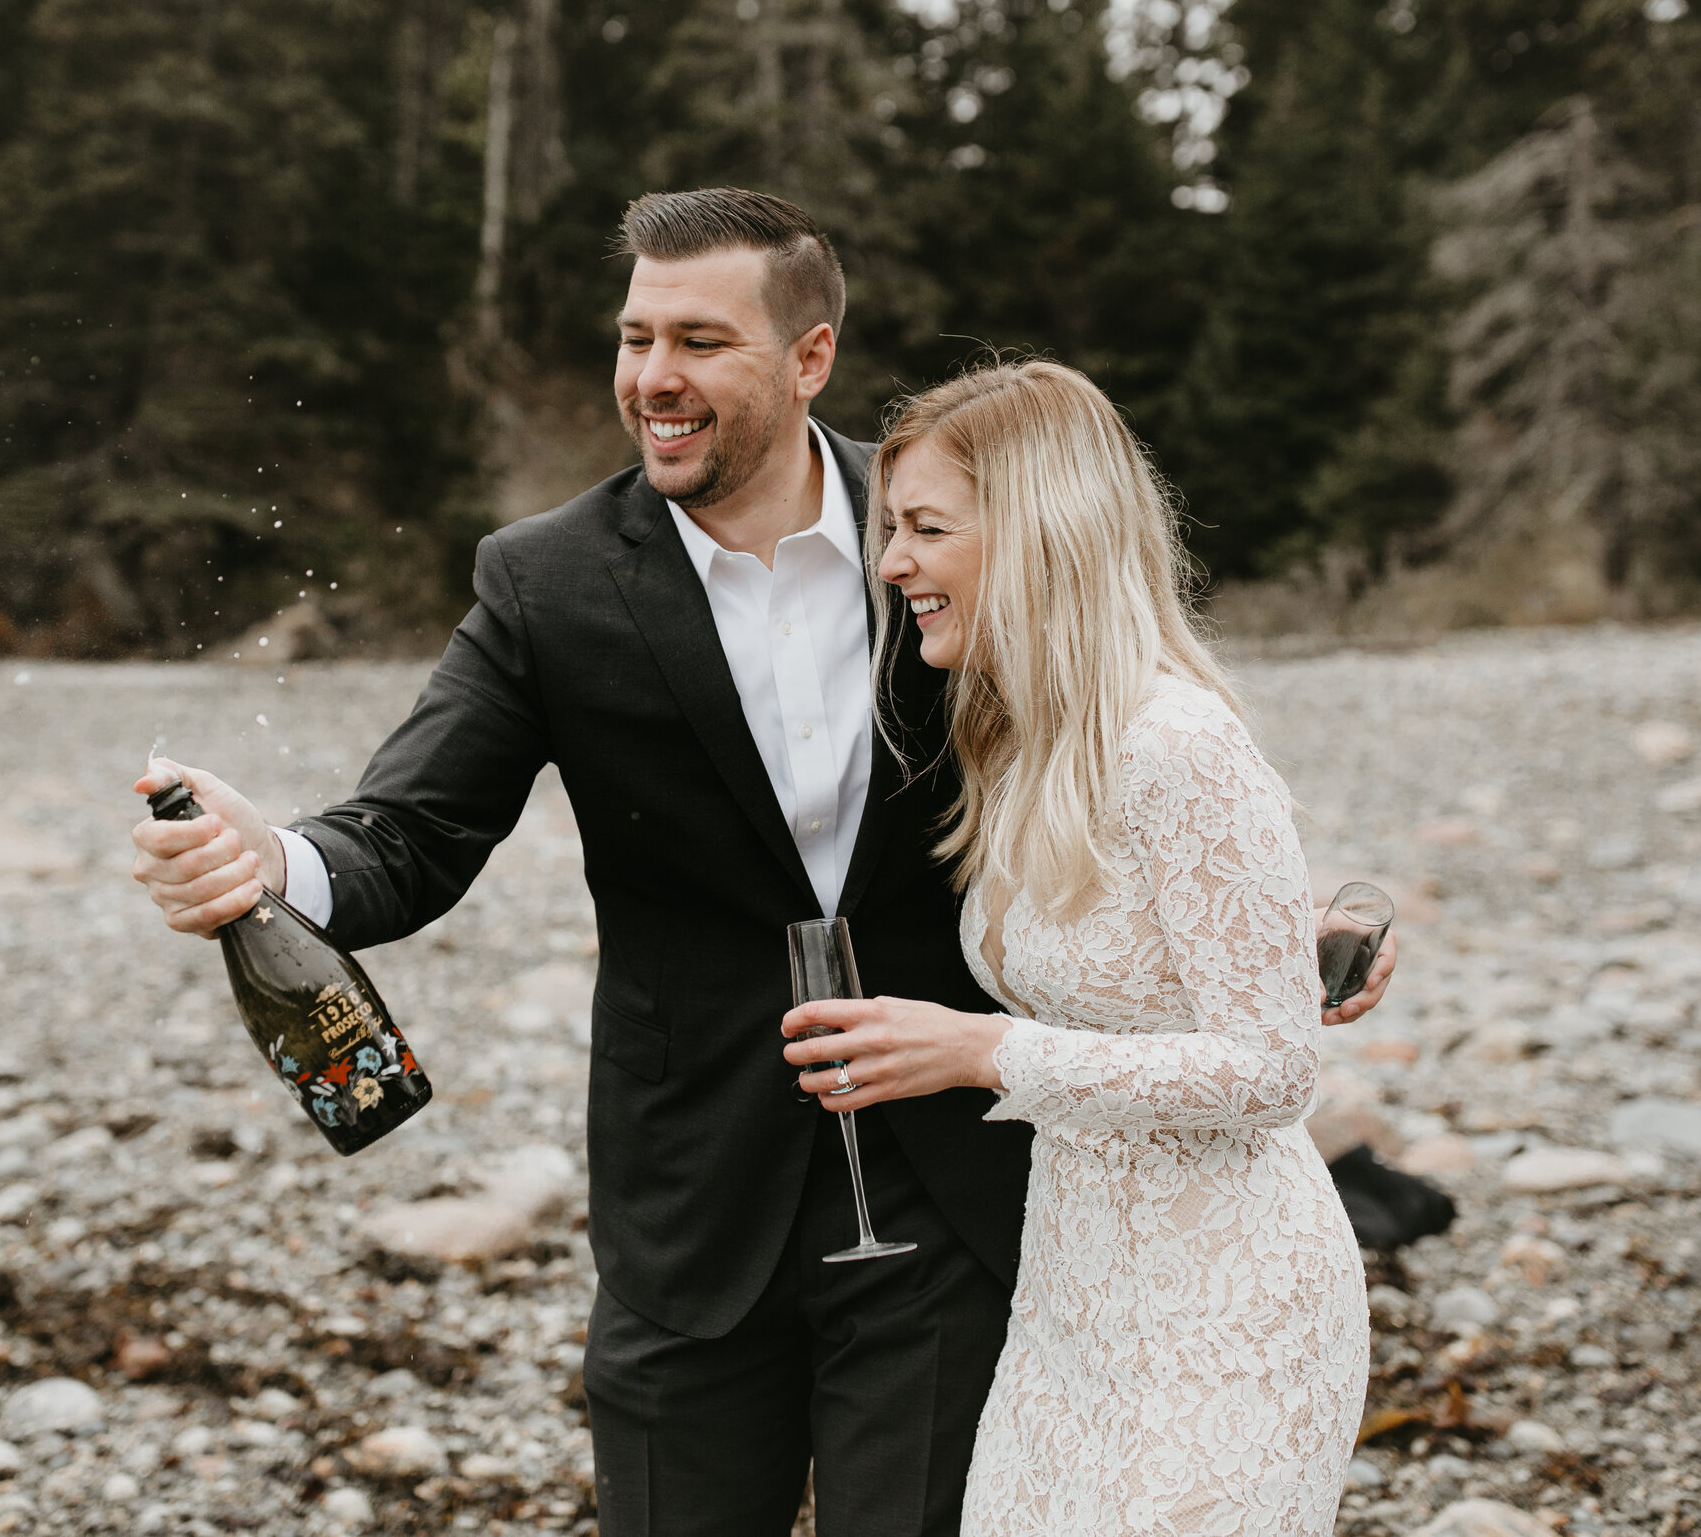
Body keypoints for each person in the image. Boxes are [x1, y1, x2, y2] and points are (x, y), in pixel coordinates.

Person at [130, 189, 1393, 1537]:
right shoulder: (544, 582)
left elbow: (1117, 742)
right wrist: (271, 855)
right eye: (634, 338)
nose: (653, 378)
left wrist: (1266, 917)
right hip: (692, 1206)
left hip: (956, 1201)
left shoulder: (948, 532)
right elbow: (415, 829)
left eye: (699, 340)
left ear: (809, 356)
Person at [781, 359, 1370, 1535]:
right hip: (1071, 1309)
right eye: (890, 528)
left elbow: (1273, 1069)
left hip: (1229, 1314)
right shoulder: (1011, 739)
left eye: (925, 528)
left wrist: (990, 1052)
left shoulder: (1177, 741)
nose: (891, 563)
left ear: (1044, 533)